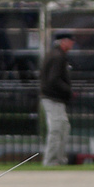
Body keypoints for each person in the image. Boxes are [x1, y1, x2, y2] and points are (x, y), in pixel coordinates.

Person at [40, 31, 74, 166]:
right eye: (71, 40)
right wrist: (68, 90)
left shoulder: (56, 55)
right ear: (63, 41)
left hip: (54, 99)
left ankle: (59, 160)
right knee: (56, 129)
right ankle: (51, 161)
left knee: (63, 127)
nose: (72, 43)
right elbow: (54, 79)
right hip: (53, 98)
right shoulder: (58, 57)